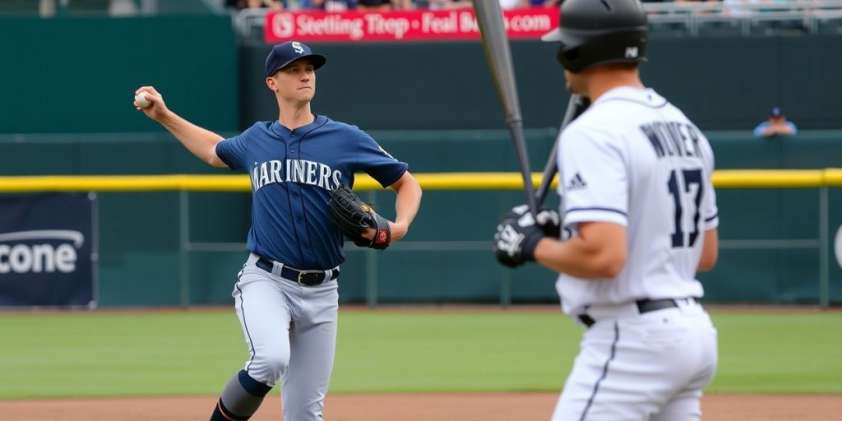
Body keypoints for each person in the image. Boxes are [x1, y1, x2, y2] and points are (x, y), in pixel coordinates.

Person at [134, 40, 422, 421]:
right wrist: (164, 116)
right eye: (294, 70)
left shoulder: (345, 137)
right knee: (270, 359)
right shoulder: (258, 139)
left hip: (323, 292)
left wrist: (398, 227)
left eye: (310, 69)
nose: (305, 75)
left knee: (305, 414)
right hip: (267, 280)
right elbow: (214, 151)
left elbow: (407, 183)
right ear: (272, 82)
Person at [492, 0, 720, 420]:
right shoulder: (685, 128)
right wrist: (562, 237)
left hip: (635, 341)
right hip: (693, 333)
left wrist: (530, 245)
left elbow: (604, 257)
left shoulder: (593, 131)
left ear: (577, 52)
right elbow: (704, 254)